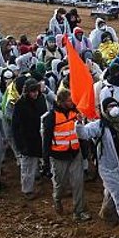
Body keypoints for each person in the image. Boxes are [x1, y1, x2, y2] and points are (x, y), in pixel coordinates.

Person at [81, 97, 119, 234]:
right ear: (104, 110)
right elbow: (83, 134)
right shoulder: (99, 126)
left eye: (115, 105)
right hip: (107, 168)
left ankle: (106, 212)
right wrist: (79, 124)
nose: (113, 108)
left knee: (113, 192)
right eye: (109, 106)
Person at [42, 88, 90, 221]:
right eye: (69, 100)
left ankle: (79, 212)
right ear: (61, 102)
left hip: (75, 153)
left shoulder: (76, 113)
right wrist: (46, 161)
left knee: (78, 183)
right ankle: (57, 199)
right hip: (58, 156)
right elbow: (46, 140)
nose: (72, 102)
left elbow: (81, 134)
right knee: (60, 185)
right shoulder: (51, 117)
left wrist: (84, 152)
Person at [10, 79, 48, 199]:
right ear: (27, 91)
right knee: (28, 167)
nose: (35, 93)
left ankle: (40, 177)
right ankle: (27, 190)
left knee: (43, 162)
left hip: (41, 137)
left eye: (36, 90)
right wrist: (20, 145)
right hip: (27, 140)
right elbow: (15, 127)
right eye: (32, 91)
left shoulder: (41, 99)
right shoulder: (20, 104)